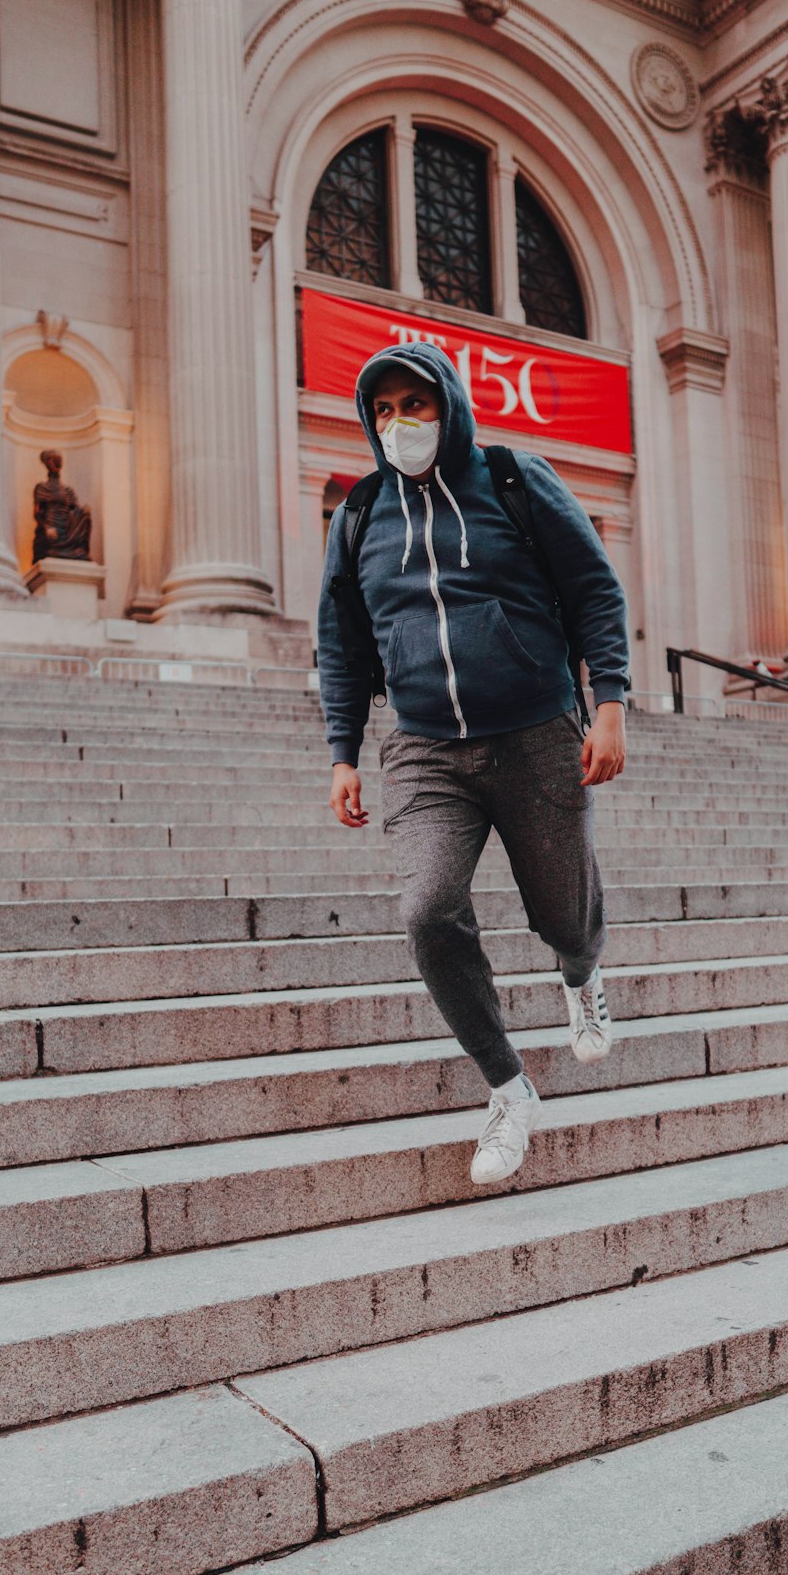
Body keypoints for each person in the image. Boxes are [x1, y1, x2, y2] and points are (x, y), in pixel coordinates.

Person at [317, 341, 630, 1185]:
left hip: (534, 731)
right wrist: (342, 750)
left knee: (565, 912)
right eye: (381, 410)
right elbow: (341, 642)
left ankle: (580, 971)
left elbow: (595, 588)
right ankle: (508, 1086)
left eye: (412, 405)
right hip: (423, 748)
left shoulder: (514, 480)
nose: (397, 424)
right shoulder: (361, 515)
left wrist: (609, 703)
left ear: (448, 405)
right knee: (425, 910)